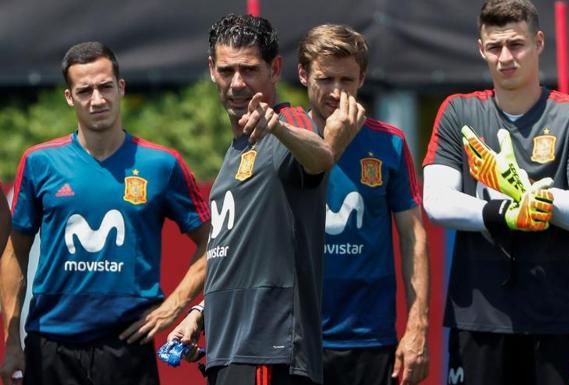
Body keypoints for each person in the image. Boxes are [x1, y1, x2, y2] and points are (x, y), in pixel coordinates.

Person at [0, 41, 211, 385]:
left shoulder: (161, 164)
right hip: (50, 347)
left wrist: (175, 305)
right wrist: (11, 342)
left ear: (121, 88)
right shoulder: (39, 162)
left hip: (127, 349)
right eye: (84, 91)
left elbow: (211, 242)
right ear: (70, 97)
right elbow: (13, 253)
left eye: (105, 87)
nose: (97, 99)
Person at [168, 15, 362, 385]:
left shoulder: (287, 123)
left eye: (249, 70)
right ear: (212, 70)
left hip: (269, 352)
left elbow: (321, 158)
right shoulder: (234, 152)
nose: (237, 83)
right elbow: (240, 255)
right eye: (227, 70)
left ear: (274, 69)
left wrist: (275, 125)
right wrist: (201, 314)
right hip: (229, 351)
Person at [422, 0, 569, 384]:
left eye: (515, 44)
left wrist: (532, 196)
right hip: (479, 315)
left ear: (538, 42)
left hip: (560, 315)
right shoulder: (458, 111)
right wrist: (506, 212)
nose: (505, 57)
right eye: (494, 46)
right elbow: (436, 202)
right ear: (480, 48)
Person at [296, 24, 430, 385]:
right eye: (325, 78)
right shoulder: (282, 134)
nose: (337, 92)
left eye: (348, 80)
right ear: (302, 73)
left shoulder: (390, 143)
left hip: (369, 338)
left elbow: (413, 234)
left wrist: (417, 324)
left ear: (363, 78)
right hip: (294, 339)